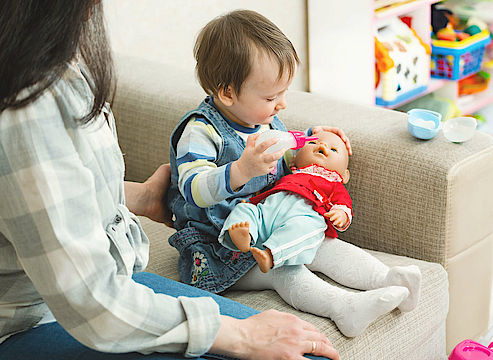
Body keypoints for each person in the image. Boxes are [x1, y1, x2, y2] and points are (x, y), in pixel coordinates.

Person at [0, 1, 340, 359]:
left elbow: (46, 199)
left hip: (108, 288)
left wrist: (137, 196)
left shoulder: (63, 64)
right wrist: (245, 336)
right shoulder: (26, 113)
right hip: (44, 318)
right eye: (272, 96)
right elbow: (90, 299)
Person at [168, 9, 422, 338]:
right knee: (286, 269)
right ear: (228, 93)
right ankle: (342, 308)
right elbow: (193, 189)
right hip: (223, 247)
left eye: (284, 93)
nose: (282, 105)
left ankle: (390, 281)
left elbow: (287, 153)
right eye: (272, 96)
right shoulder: (201, 132)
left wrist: (313, 139)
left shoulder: (263, 120)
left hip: (274, 222)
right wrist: (239, 170)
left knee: (325, 245)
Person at [220, 131, 354, 273]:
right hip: (266, 213)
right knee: (244, 209)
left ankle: (271, 255)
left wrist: (340, 214)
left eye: (333, 149)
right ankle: (243, 235)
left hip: (302, 218)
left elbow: (344, 205)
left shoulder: (334, 184)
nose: (322, 145)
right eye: (313, 143)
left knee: (307, 229)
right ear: (293, 161)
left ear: (345, 175)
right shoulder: (288, 174)